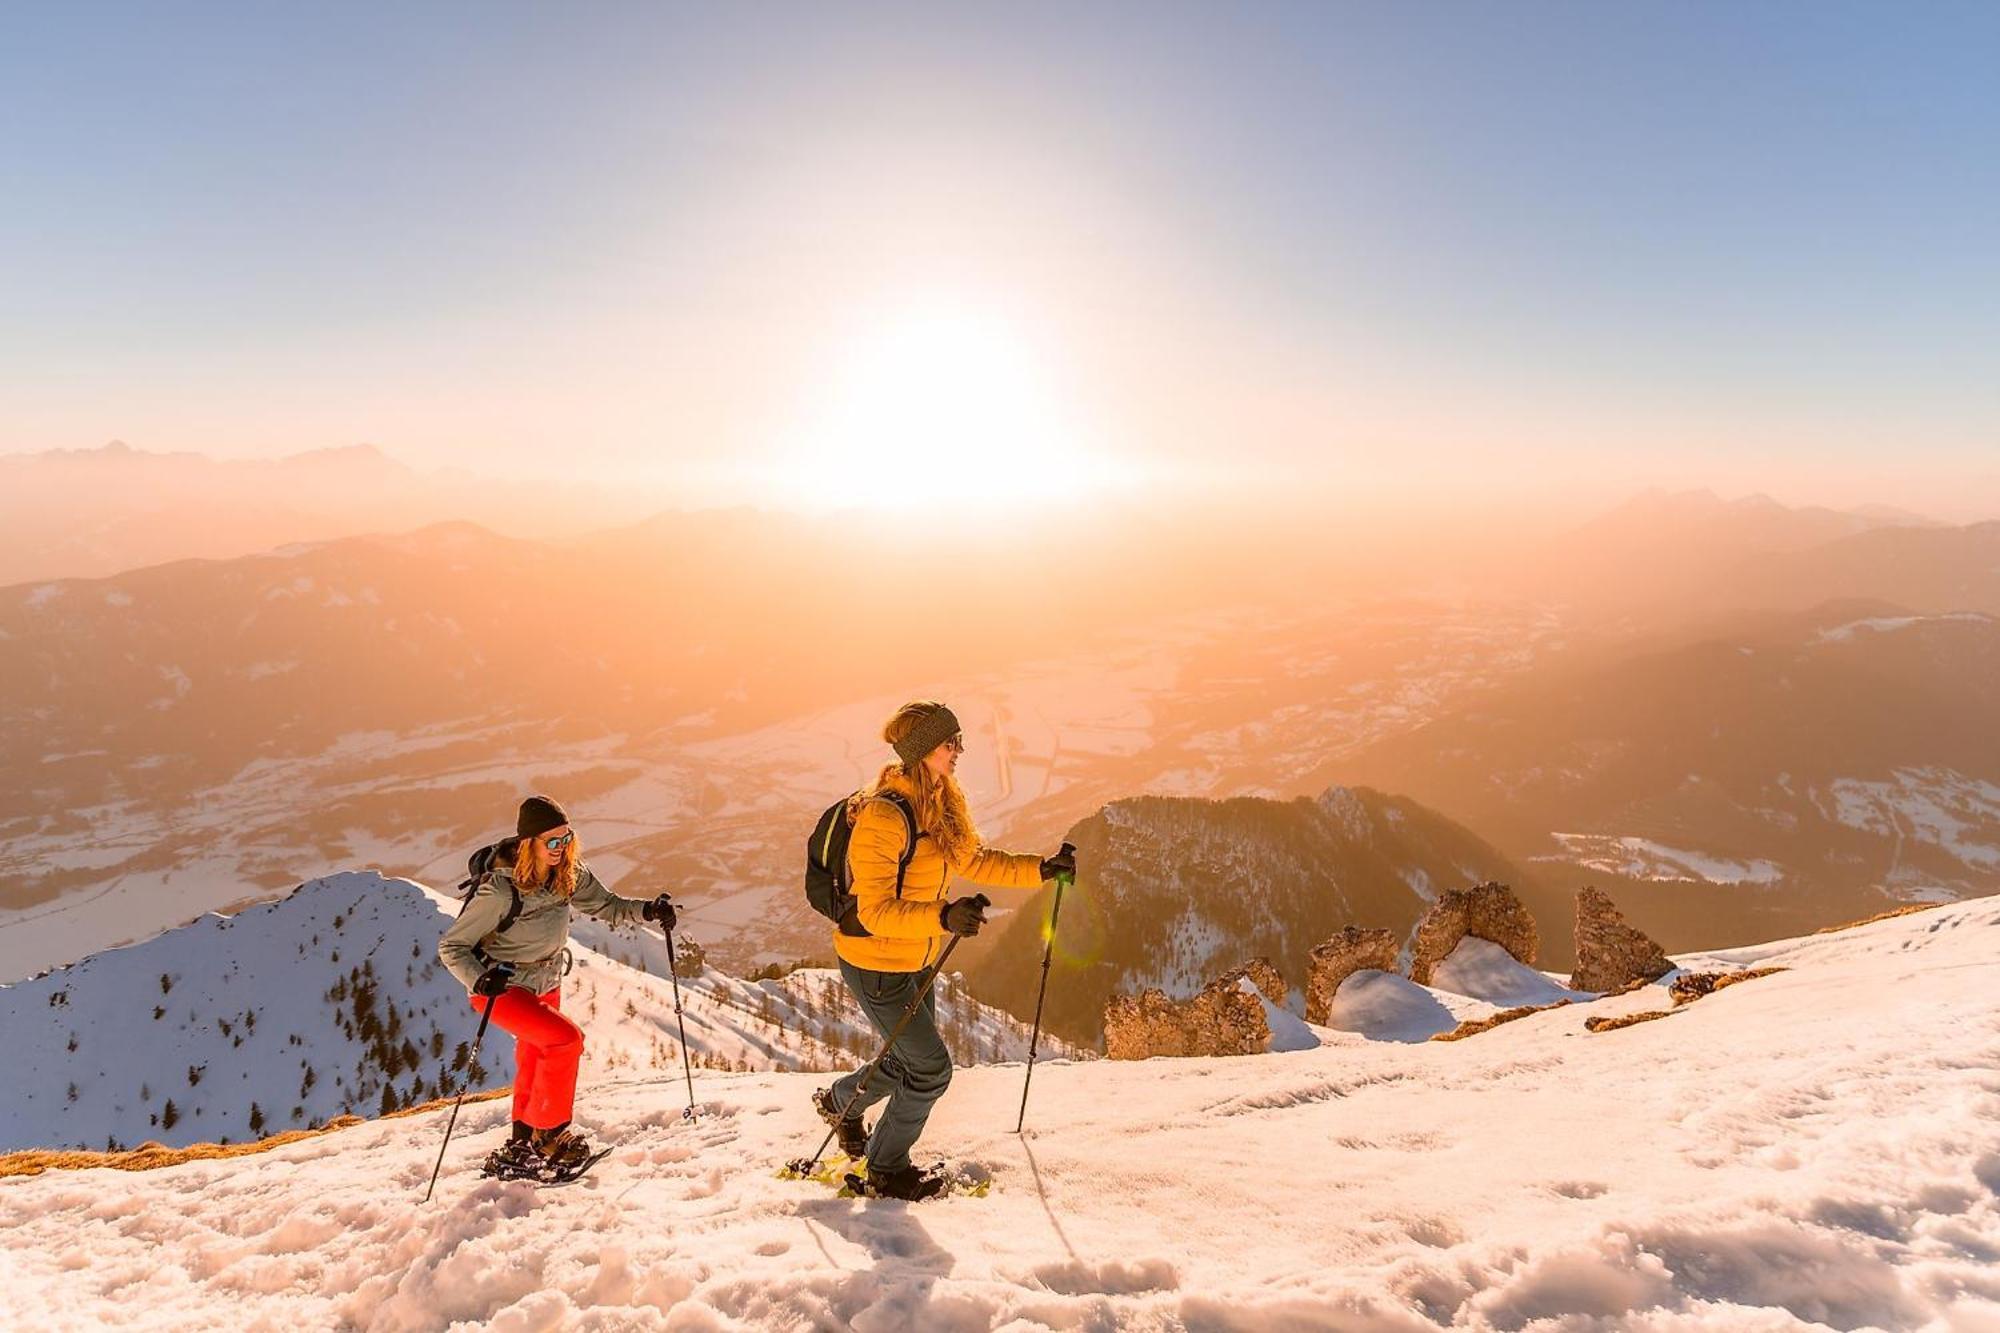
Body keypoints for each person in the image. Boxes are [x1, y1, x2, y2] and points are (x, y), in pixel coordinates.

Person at [814, 701, 1077, 1199]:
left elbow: (975, 859)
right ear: (921, 751)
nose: (959, 751)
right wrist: (941, 916)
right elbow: (874, 913)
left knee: (905, 1064)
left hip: (914, 957)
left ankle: (839, 1101)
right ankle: (885, 1169)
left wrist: (1040, 869)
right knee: (930, 1070)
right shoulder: (883, 817)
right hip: (874, 964)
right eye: (949, 742)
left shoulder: (938, 800)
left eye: (959, 741)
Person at [439, 794, 676, 1179]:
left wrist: (648, 910)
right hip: (500, 988)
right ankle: (549, 1135)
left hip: (545, 981)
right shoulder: (501, 890)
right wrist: (479, 977)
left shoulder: (569, 874)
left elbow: (608, 906)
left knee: (534, 1057)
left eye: (567, 838)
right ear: (527, 843)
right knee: (565, 1041)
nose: (561, 847)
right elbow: (452, 946)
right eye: (552, 841)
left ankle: (522, 1142)